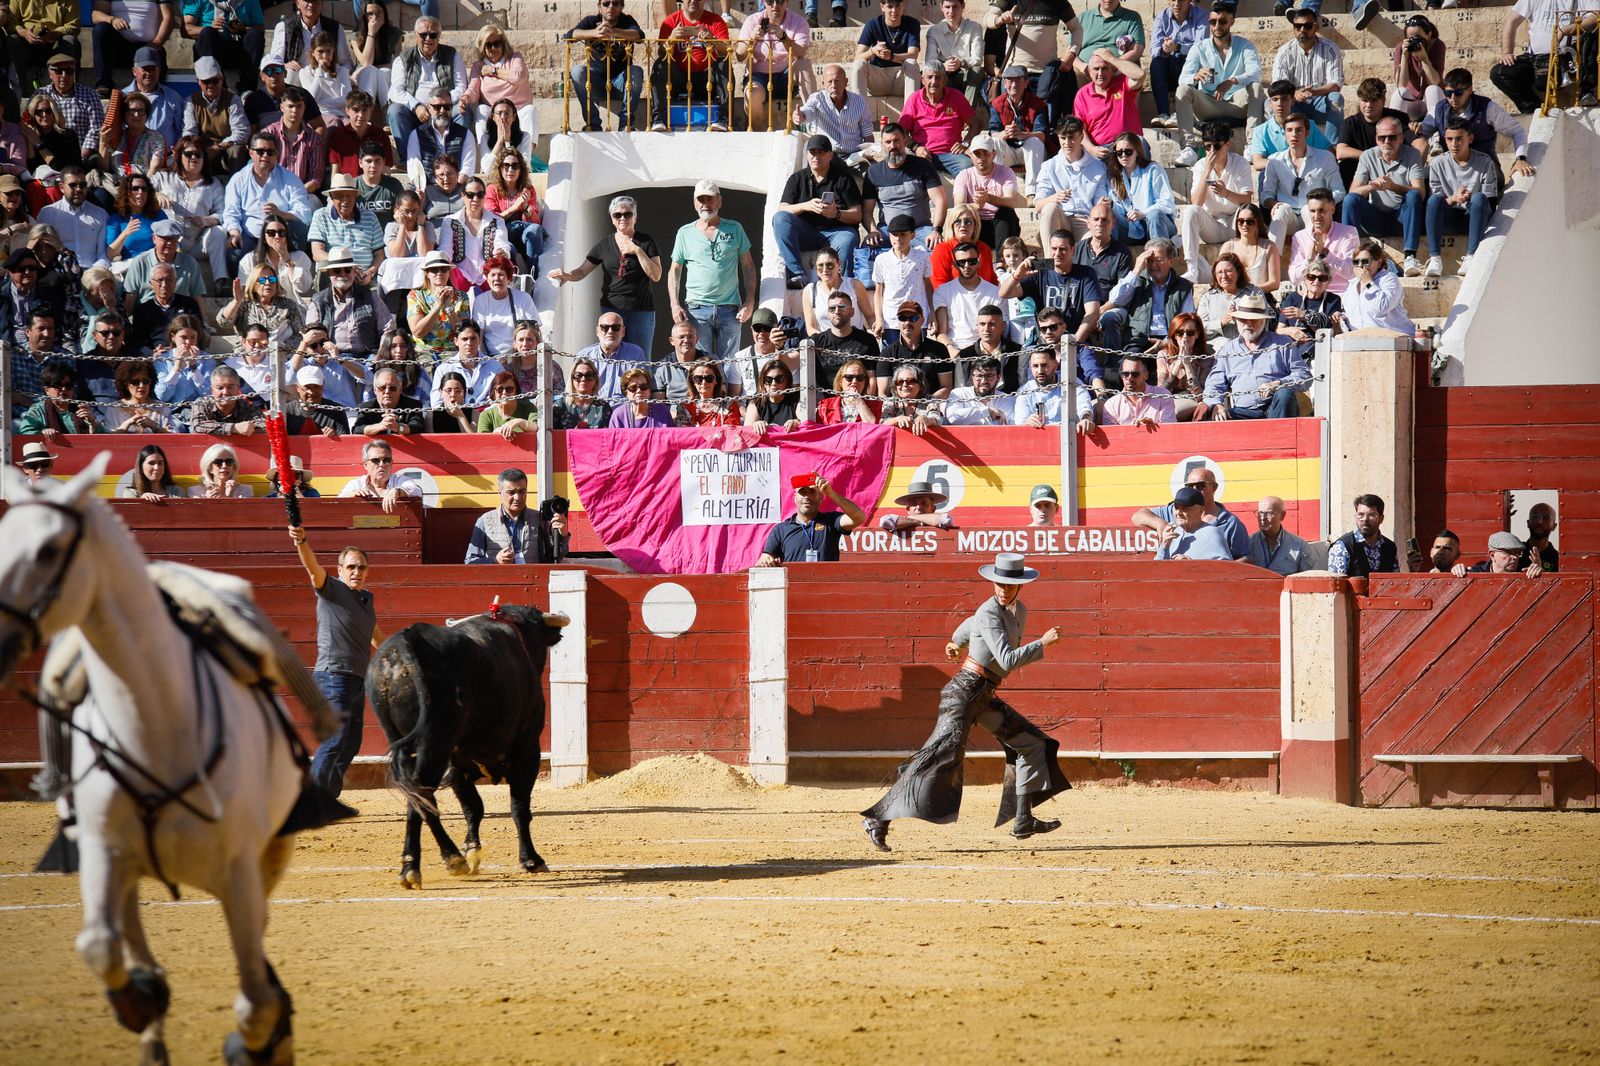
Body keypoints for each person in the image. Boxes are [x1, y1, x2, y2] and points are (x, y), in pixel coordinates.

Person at [860, 551, 1069, 850]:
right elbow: (1007, 660)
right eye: (999, 582)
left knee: (1032, 743)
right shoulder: (989, 611)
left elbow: (968, 627)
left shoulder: (1017, 611)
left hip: (982, 695)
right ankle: (877, 819)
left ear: (1020, 586)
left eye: (1009, 584)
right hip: (963, 694)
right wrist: (1042, 644)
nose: (1003, 588)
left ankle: (1023, 820)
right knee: (933, 758)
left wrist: (955, 643)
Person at [288, 521, 381, 798]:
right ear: (340, 571)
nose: (356, 572)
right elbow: (312, 567)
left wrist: (398, 657)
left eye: (361, 567)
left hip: (356, 680)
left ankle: (328, 795)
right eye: (351, 567)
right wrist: (301, 542)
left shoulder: (366, 600)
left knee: (351, 744)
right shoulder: (330, 590)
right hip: (332, 677)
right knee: (335, 739)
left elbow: (376, 637)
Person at [669, 180, 756, 367]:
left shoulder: (734, 228)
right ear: (694, 202)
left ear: (719, 201)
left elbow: (748, 266)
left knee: (730, 365)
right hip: (697, 309)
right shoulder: (684, 233)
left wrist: (749, 301)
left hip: (730, 309)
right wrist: (674, 304)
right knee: (702, 366)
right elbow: (675, 270)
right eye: (700, 199)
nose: (705, 203)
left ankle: (728, 398)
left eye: (710, 198)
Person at [995, 229, 1103, 374]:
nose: (1057, 254)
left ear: (1073, 250)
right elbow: (1004, 293)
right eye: (1054, 249)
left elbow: (1092, 312)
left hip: (1074, 337)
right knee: (1026, 363)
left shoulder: (1086, 274)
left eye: (1063, 249)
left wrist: (1073, 341)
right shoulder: (1040, 273)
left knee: (1090, 370)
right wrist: (1018, 275)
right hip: (1045, 339)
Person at [1172, 3, 1261, 168]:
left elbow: (1255, 73)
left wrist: (1232, 81)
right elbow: (1183, 78)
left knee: (1256, 87)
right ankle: (1189, 148)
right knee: (1183, 90)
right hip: (1209, 104)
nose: (1217, 26)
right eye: (1213, 22)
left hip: (1237, 102)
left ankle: (1252, 145)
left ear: (1231, 22)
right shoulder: (1198, 48)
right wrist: (1195, 77)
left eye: (1222, 21)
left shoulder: (1244, 46)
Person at [1414, 68, 1533, 187]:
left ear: (1470, 90)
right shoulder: (1438, 109)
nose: (1453, 98)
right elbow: (1423, 132)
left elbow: (1516, 130)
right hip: (1450, 166)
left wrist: (1521, 158)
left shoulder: (1487, 108)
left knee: (1492, 181)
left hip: (1483, 166)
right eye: (1448, 94)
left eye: (1458, 93)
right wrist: (1414, 127)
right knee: (1421, 178)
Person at [775, 134, 864, 289]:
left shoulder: (843, 179)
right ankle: (797, 274)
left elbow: (857, 215)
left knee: (848, 238)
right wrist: (805, 206)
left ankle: (843, 284)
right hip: (807, 232)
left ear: (830, 155)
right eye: (812, 152)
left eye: (820, 152)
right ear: (807, 154)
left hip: (837, 232)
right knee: (780, 219)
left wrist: (837, 214)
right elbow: (782, 209)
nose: (816, 157)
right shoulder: (797, 179)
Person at [221, 132, 315, 277]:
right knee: (234, 250)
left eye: (270, 152)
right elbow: (231, 212)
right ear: (250, 152)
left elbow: (305, 213)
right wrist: (234, 232)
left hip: (280, 234)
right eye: (260, 151)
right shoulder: (238, 179)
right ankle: (242, 290)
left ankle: (293, 278)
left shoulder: (290, 179)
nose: (265, 156)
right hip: (251, 235)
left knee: (299, 227)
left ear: (277, 154)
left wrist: (281, 214)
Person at [1341, 117, 1425, 277]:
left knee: (1413, 195)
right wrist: (1372, 185)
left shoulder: (1412, 154)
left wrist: (1393, 186)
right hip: (1376, 219)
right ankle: (1349, 257)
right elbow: (1353, 191)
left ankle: (1410, 256)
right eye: (1382, 137)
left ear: (1401, 138)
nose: (1387, 141)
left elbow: (1420, 192)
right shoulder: (1368, 155)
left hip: (1402, 218)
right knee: (1350, 200)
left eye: (1392, 137)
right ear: (1377, 139)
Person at [1203, 293, 1307, 420]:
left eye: (1254, 320)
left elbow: (1304, 375)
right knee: (1215, 417)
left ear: (1264, 321)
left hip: (1275, 407)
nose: (1248, 324)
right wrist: (1216, 404)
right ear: (1236, 320)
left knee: (1284, 394)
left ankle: (1280, 438)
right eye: (1243, 320)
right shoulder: (1228, 350)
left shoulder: (1283, 343)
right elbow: (1213, 384)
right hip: (1243, 411)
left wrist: (1278, 383)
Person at [982, 0, 1083, 125]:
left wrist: (1072, 53)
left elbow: (1077, 28)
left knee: (1048, 124)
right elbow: (987, 18)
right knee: (1012, 124)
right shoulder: (1008, 1)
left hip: (1046, 76)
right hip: (1015, 75)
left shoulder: (1058, 2)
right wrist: (999, 19)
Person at [1423, 117, 1500, 279]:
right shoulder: (1437, 163)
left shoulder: (1485, 161)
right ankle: (1435, 258)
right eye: (1449, 139)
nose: (1454, 144)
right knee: (1434, 201)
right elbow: (1435, 202)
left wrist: (1470, 198)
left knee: (1479, 198)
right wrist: (1453, 199)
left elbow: (1491, 202)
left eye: (1459, 139)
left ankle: (1471, 256)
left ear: (1469, 139)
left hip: (1475, 217)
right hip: (1449, 216)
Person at [1178, 120, 1253, 283]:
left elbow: (1247, 199)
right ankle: (1192, 269)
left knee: (1250, 211)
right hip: (1212, 224)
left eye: (1217, 146)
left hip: (1236, 223)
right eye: (1207, 147)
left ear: (1228, 145)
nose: (1211, 151)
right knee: (1190, 211)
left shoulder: (1240, 163)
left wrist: (1226, 193)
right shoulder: (1200, 166)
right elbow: (1196, 203)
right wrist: (1206, 172)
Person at [388, 15, 468, 158]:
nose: (428, 39)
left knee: (462, 112)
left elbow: (461, 87)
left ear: (439, 35)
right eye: (423, 35)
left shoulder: (452, 55)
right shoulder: (403, 58)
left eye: (433, 35)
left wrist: (439, 105)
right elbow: (395, 91)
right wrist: (416, 105)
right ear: (416, 35)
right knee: (395, 111)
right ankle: (409, 160)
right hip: (415, 113)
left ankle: (454, 161)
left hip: (445, 108)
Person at [1491, 0, 1591, 114]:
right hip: (1534, 58)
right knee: (1499, 73)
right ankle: (1534, 110)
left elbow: (1596, 17)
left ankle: (1587, 91)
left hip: (1567, 58)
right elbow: (1512, 21)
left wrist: (1565, 31)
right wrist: (1507, 52)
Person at [1132, 464, 1247, 558]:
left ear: (1214, 488)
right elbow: (1137, 516)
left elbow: (1232, 565)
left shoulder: (1228, 524)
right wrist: (1161, 525)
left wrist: (1194, 566)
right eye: (1190, 486)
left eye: (1200, 485)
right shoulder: (1173, 514)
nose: (1194, 489)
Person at [649, 0, 730, 132]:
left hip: (706, 78)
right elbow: (661, 54)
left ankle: (724, 118)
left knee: (723, 64)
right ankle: (657, 118)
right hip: (679, 78)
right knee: (660, 65)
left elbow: (727, 51)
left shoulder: (716, 20)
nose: (693, 1)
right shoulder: (671, 21)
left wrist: (712, 39)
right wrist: (671, 39)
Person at [755, 472, 866, 565]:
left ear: (821, 498)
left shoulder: (831, 521)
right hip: (794, 590)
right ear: (795, 498)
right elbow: (764, 559)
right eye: (802, 492)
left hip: (827, 589)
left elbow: (859, 517)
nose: (807, 497)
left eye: (812, 492)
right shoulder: (781, 529)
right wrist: (765, 561)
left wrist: (831, 494)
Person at [464, 467, 567, 565]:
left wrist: (563, 536)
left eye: (522, 491)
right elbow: (470, 561)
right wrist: (494, 560)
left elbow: (554, 559)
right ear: (500, 493)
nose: (517, 497)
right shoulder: (485, 521)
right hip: (499, 581)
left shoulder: (539, 519)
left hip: (533, 580)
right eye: (511, 492)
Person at [735, 0, 811, 133]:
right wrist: (751, 39)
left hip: (785, 76)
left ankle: (813, 118)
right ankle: (759, 133)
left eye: (780, 1)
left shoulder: (798, 22)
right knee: (752, 92)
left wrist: (783, 37)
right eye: (770, 1)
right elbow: (739, 56)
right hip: (758, 77)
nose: (775, 5)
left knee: (804, 64)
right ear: (764, 2)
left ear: (786, 2)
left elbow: (800, 53)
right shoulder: (752, 21)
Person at [1031, 117, 1108, 246]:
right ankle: (1050, 262)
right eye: (1063, 138)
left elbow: (1099, 201)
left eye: (1071, 137)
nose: (1067, 143)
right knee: (1050, 207)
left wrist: (1102, 203)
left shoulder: (1098, 167)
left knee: (1092, 240)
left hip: (1086, 222)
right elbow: (1038, 205)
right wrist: (1054, 198)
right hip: (1061, 220)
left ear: (1081, 137)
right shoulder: (1049, 166)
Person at [1271, 7, 1343, 141]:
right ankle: (1280, 143)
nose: (1302, 30)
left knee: (1336, 99)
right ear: (1294, 28)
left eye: (1307, 26)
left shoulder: (1330, 48)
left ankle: (1332, 146)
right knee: (1270, 103)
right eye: (1298, 26)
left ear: (1315, 27)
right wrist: (1295, 94)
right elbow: (1278, 86)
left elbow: (1335, 84)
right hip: (1294, 104)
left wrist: (1314, 92)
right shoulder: (1284, 52)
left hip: (1321, 102)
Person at [900, 65, 979, 177]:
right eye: (930, 77)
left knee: (968, 167)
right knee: (908, 171)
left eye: (938, 77)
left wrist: (965, 143)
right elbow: (900, 131)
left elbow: (976, 123)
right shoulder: (914, 99)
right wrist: (916, 147)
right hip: (923, 154)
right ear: (922, 80)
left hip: (951, 154)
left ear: (945, 80)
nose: (934, 81)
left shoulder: (956, 96)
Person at [951, 132, 1024, 250]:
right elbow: (958, 208)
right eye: (977, 154)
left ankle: (1001, 263)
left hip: (1000, 225)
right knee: (964, 217)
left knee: (1006, 213)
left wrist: (988, 199)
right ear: (970, 155)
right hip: (975, 226)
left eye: (986, 153)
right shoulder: (963, 175)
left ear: (994, 154)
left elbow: (1012, 202)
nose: (982, 158)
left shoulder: (1006, 172)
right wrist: (977, 206)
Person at [181, 56, 251, 177]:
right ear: (198, 82)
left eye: (215, 80)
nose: (211, 85)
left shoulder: (232, 99)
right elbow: (190, 132)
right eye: (206, 81)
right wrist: (201, 149)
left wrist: (218, 147)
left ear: (222, 79)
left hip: (226, 149)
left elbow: (242, 131)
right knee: (189, 150)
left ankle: (234, 187)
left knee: (237, 150)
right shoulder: (191, 101)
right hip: (202, 149)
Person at [986, 65, 1049, 197]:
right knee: (995, 141)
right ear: (1004, 83)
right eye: (1010, 80)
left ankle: (1032, 193)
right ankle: (996, 189)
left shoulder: (1038, 104)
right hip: (1008, 153)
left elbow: (1042, 135)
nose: (1013, 85)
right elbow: (993, 131)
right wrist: (1005, 133)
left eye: (1018, 80)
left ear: (1026, 83)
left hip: (1030, 155)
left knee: (1034, 142)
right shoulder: (997, 103)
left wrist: (1023, 135)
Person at [1337, 77, 1411, 189]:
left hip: (1392, 167)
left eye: (1374, 101)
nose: (1368, 105)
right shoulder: (1350, 123)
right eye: (1364, 100)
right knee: (1345, 165)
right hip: (1362, 169)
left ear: (1383, 100)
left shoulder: (1398, 118)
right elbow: (1341, 151)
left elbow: (1420, 144)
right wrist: (1371, 158)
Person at [790, 64, 871, 163]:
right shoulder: (817, 99)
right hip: (827, 157)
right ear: (823, 84)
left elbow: (867, 133)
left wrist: (869, 153)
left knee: (872, 174)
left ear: (845, 82)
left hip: (855, 155)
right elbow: (807, 111)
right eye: (829, 82)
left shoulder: (860, 102)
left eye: (837, 81)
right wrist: (800, 116)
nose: (833, 86)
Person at [1104, 132, 1175, 243]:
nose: (1123, 156)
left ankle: (1160, 255)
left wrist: (1143, 213)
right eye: (1119, 153)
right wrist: (1110, 205)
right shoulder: (1115, 176)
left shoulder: (1153, 169)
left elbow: (1167, 203)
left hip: (1159, 224)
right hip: (1133, 227)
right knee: (1106, 213)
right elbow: (1120, 212)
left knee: (1154, 214)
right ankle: (1111, 256)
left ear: (1137, 151)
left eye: (1128, 152)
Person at [933, 244, 1001, 358]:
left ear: (979, 262)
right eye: (961, 262)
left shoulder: (995, 292)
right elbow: (941, 332)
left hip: (985, 349)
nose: (966, 266)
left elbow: (1000, 327)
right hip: (955, 349)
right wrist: (951, 350)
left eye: (972, 261)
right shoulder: (943, 291)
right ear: (955, 264)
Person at [309, 173, 384, 278]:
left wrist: (370, 273)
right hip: (335, 275)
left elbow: (379, 254)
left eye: (349, 195)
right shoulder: (321, 216)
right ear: (331, 197)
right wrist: (346, 266)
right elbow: (317, 253)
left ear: (355, 196)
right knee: (324, 266)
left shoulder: (370, 217)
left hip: (364, 276)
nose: (345, 200)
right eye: (340, 196)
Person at [404, 85, 477, 190]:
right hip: (427, 188)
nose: (442, 111)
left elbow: (467, 169)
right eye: (437, 107)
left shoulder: (465, 134)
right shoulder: (417, 134)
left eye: (447, 107)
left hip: (456, 188)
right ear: (429, 108)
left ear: (452, 107)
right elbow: (413, 169)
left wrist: (452, 189)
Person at [1074, 48, 1147, 153]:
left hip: (1130, 145)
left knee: (1140, 142)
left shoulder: (1123, 83)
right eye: (1096, 69)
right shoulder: (1082, 94)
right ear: (1089, 71)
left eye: (1104, 68)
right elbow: (1081, 129)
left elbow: (1140, 75)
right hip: (1102, 149)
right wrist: (1091, 149)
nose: (1100, 73)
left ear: (1112, 70)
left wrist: (1112, 59)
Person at [185, 0, 266, 95]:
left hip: (241, 53)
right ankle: (218, 86)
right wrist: (210, 27)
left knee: (255, 34)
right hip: (211, 52)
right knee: (207, 33)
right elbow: (186, 29)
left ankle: (247, 89)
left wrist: (243, 29)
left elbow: (260, 27)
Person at [1149, 0, 1208, 128]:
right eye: (1173, 0)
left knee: (1191, 60)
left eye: (1181, 0)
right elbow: (1154, 49)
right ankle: (1163, 114)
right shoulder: (1161, 17)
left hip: (1190, 66)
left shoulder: (1201, 15)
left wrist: (1178, 47)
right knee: (1156, 62)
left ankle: (1181, 113)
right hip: (1169, 65)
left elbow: (1200, 48)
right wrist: (1165, 49)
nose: (1176, 4)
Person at [1287, 188, 1358, 294]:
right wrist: (1310, 259)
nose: (1317, 216)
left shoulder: (1349, 233)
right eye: (1312, 211)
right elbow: (1294, 279)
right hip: (1312, 297)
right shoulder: (1300, 236)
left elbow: (1352, 272)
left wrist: (1325, 254)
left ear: (1332, 209)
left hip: (1342, 295)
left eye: (1322, 210)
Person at [39, 165, 109, 270]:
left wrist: (96, 273)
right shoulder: (48, 213)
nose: (78, 189)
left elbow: (102, 253)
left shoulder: (100, 214)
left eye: (82, 185)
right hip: (60, 272)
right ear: (61, 187)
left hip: (92, 272)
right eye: (73, 185)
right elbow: (43, 251)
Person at [874, 298, 948, 395]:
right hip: (898, 408)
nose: (907, 323)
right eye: (902, 318)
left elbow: (947, 387)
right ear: (898, 321)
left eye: (913, 318)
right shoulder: (887, 353)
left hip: (931, 406)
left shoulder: (939, 349)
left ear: (922, 320)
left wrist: (929, 402)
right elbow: (883, 393)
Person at [850, 0, 920, 99]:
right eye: (890, 6)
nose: (894, 10)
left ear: (903, 6)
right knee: (859, 64)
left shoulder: (912, 23)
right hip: (878, 78)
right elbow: (858, 57)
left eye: (897, 6)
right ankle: (859, 111)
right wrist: (873, 51)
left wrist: (891, 56)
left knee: (912, 63)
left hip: (901, 78)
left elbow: (913, 54)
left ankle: (910, 113)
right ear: (882, 7)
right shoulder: (873, 24)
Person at [1341, 239, 1413, 335]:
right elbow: (1355, 313)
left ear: (1378, 263)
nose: (1360, 265)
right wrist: (1342, 317)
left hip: (1391, 338)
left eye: (1365, 261)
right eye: (1356, 262)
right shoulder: (1352, 284)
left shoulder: (1389, 279)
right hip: (1360, 340)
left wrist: (1368, 282)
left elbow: (1383, 307)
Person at [1197, 251, 1270, 345]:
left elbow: (1264, 322)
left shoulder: (1254, 292)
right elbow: (1199, 329)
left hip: (1250, 346)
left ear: (1238, 272)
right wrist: (1222, 322)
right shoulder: (1207, 297)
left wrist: (1243, 317)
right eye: (1219, 272)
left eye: (1228, 271)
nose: (1223, 276)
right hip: (1217, 350)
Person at [801, 247, 873, 337]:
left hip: (856, 343)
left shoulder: (854, 285)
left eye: (829, 265)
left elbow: (870, 316)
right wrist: (828, 342)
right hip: (826, 345)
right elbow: (811, 328)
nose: (825, 270)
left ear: (839, 264)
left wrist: (876, 333)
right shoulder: (809, 291)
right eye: (820, 266)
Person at [14, 359, 97, 437]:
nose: (63, 389)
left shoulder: (80, 410)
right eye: (58, 385)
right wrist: (42, 432)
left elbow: (102, 437)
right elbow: (26, 431)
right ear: (47, 390)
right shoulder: (38, 410)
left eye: (68, 386)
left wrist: (92, 422)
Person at [1327, 493, 1402, 576]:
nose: (1365, 519)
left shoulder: (1390, 547)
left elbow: (1395, 582)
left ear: (1381, 518)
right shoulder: (1342, 546)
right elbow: (1336, 585)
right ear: (1355, 516)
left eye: (1371, 515)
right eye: (1360, 514)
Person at [1155, 312, 1211, 421]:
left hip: (1192, 400)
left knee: (1174, 411)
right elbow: (1161, 392)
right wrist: (1178, 363)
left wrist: (1187, 364)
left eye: (1190, 333)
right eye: (1180, 333)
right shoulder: (1163, 355)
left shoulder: (1206, 359)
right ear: (1174, 335)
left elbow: (1201, 396)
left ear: (1197, 334)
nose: (1184, 337)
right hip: (1169, 399)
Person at [586, 309, 651, 400]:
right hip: (593, 409)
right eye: (604, 327)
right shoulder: (584, 356)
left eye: (615, 327)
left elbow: (640, 390)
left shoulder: (635, 354)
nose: (610, 331)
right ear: (597, 331)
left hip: (624, 409)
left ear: (623, 331)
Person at [955, 302, 1022, 391]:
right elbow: (960, 391)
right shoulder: (965, 355)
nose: (986, 329)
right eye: (982, 324)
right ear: (977, 326)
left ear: (1002, 326)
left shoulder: (1018, 351)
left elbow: (1024, 387)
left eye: (992, 324)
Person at [1155, 486, 1235, 560]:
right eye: (1176, 507)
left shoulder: (1211, 533)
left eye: (1184, 508)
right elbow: (1156, 570)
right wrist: (1164, 547)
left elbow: (1225, 568)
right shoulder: (1173, 533)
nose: (1178, 512)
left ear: (1200, 510)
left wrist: (1192, 565)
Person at [1391, 15, 1446, 122]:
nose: (1414, 41)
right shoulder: (1401, 48)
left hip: (1432, 101)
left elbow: (1435, 81)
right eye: (1410, 38)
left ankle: (1434, 132)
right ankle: (1396, 131)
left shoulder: (1437, 45)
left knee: (1432, 90)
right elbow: (1401, 84)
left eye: (1418, 38)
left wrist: (1424, 58)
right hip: (1412, 102)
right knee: (1400, 93)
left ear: (1429, 35)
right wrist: (1404, 56)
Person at [1277, 261, 1341, 350]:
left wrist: (1304, 316)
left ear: (1328, 281)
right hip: (1291, 348)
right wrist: (1290, 331)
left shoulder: (1333, 300)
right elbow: (1279, 330)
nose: (1316, 281)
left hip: (1318, 350)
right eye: (1312, 277)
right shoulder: (1293, 298)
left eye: (1322, 278)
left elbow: (1328, 328)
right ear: (1305, 279)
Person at [187, 363, 266, 436]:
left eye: (230, 387)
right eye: (220, 388)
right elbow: (197, 426)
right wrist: (234, 428)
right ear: (212, 390)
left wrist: (248, 427)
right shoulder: (202, 403)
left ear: (238, 388)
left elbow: (264, 425)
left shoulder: (246, 406)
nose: (225, 392)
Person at [351, 2, 402, 110]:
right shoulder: (355, 36)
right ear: (365, 16)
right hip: (365, 76)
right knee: (370, 71)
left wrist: (373, 69)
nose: (374, 17)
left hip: (384, 74)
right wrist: (371, 33)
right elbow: (366, 62)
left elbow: (396, 63)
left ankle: (387, 115)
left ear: (385, 14)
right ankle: (364, 111)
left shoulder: (394, 33)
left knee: (383, 72)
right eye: (370, 14)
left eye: (378, 13)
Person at [1101, 355, 1175, 427]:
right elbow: (1113, 437)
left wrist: (1153, 427)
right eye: (1125, 374)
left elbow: (1169, 431)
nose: (1130, 378)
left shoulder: (1163, 396)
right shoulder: (1111, 405)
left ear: (1146, 375)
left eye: (1135, 374)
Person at [1246, 495, 1312, 574]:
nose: (1262, 518)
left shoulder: (1299, 546)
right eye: (1260, 513)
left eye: (1268, 513)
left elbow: (1308, 579)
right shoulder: (1248, 544)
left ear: (1282, 515)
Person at [352, 366, 425, 438]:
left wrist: (398, 427)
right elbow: (357, 429)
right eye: (382, 388)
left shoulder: (413, 405)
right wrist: (380, 426)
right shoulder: (366, 407)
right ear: (375, 390)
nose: (387, 392)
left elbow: (417, 427)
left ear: (400, 389)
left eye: (392, 388)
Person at [942, 355, 1013, 425]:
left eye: (989, 376)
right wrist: (987, 411)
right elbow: (952, 418)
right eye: (979, 376)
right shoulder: (960, 394)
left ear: (998, 377)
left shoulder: (1007, 400)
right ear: (972, 376)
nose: (983, 381)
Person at [879, 363, 942, 434]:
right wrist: (897, 419)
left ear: (921, 385)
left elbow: (936, 419)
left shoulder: (930, 400)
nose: (905, 385)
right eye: (900, 382)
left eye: (910, 381)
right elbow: (883, 422)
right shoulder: (891, 401)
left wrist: (926, 419)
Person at [554, 357, 615, 429]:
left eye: (589, 375)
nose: (583, 379)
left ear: (596, 380)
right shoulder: (560, 406)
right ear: (571, 379)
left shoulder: (604, 408)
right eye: (578, 375)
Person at [1453, 531, 1546, 578]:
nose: (1514, 557)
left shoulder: (1526, 573)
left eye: (1517, 552)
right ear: (1492, 555)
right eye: (1508, 552)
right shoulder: (1473, 574)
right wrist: (1457, 572)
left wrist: (1542, 575)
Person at [816, 359, 881, 424]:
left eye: (860, 378)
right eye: (849, 377)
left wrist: (859, 402)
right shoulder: (825, 406)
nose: (854, 381)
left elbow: (874, 428)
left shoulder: (876, 406)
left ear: (865, 382)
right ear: (840, 381)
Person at [880, 478, 952, 534]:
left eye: (924, 503)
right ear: (908, 509)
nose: (918, 507)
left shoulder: (940, 520)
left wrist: (913, 519)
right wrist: (918, 521)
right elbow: (885, 521)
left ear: (933, 508)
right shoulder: (900, 523)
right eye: (914, 504)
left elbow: (946, 519)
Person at [1520, 502, 1560, 573]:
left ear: (1554, 526)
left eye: (1545, 518)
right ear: (1528, 523)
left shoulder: (1558, 559)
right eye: (1535, 517)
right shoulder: (1516, 552)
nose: (1539, 522)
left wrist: (1543, 574)